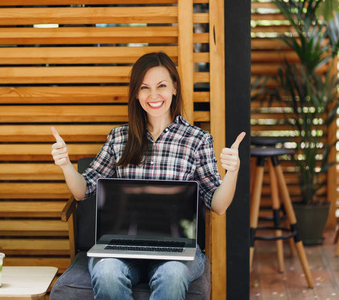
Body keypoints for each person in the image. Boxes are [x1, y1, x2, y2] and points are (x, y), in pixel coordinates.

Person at [51, 52, 245, 300]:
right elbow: (83, 190)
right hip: (121, 248)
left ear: (174, 88)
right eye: (145, 88)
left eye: (161, 86)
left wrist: (233, 172)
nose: (153, 95)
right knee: (107, 272)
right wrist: (65, 164)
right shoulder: (119, 137)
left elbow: (217, 205)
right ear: (136, 94)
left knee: (173, 275)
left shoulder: (197, 140)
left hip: (177, 251)